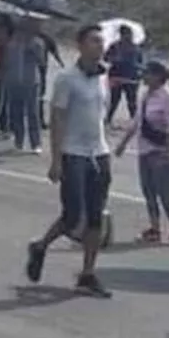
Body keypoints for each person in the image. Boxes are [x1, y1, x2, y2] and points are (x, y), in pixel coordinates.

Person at [25, 24, 113, 298]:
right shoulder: (66, 78)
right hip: (74, 154)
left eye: (101, 42)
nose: (99, 46)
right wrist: (57, 160)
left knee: (96, 217)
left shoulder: (103, 76)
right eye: (94, 42)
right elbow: (58, 119)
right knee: (74, 216)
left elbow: (101, 114)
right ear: (80, 46)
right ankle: (40, 246)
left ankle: (87, 273)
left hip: (98, 153)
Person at [115, 61, 169, 244]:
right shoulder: (145, 95)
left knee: (165, 194)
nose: (144, 77)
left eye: (147, 73)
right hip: (144, 149)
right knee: (148, 191)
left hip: (161, 151)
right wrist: (123, 143)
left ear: (158, 76)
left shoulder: (167, 96)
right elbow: (137, 121)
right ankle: (154, 228)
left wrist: (168, 145)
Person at [2, 20, 47, 153]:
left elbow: (42, 61)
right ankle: (19, 139)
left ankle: (35, 143)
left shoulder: (37, 42)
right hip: (14, 81)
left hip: (31, 82)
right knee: (16, 112)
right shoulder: (12, 43)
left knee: (33, 112)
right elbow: (7, 61)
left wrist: (32, 50)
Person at [103, 25, 143, 126]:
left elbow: (141, 63)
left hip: (131, 77)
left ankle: (134, 121)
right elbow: (105, 58)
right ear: (121, 35)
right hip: (117, 76)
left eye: (130, 34)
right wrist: (115, 59)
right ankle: (108, 119)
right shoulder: (115, 46)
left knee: (132, 101)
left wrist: (139, 72)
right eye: (126, 34)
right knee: (114, 100)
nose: (128, 36)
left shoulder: (136, 48)